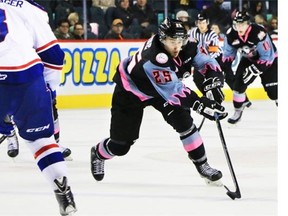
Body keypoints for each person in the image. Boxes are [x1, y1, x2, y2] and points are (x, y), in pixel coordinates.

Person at [90, 18, 228, 186]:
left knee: (185, 123)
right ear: (162, 39)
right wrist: (200, 103)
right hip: (132, 91)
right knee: (121, 145)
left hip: (161, 92)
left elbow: (207, 62)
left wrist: (213, 82)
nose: (177, 46)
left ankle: (203, 165)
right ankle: (98, 153)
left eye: (179, 40)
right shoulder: (155, 58)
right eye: (172, 41)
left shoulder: (189, 44)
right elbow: (174, 91)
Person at [0, 1, 77, 215]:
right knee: (41, 141)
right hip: (26, 76)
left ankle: (5, 128)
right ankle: (62, 190)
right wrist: (50, 91)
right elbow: (53, 55)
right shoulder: (28, 7)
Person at [221, 10, 278, 123]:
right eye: (237, 24)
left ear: (248, 24)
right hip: (249, 59)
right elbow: (227, 55)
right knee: (238, 85)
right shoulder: (231, 34)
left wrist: (254, 70)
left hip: (270, 61)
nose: (239, 27)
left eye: (242, 24)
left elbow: (267, 57)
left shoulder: (259, 33)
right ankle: (237, 111)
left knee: (274, 92)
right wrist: (224, 70)